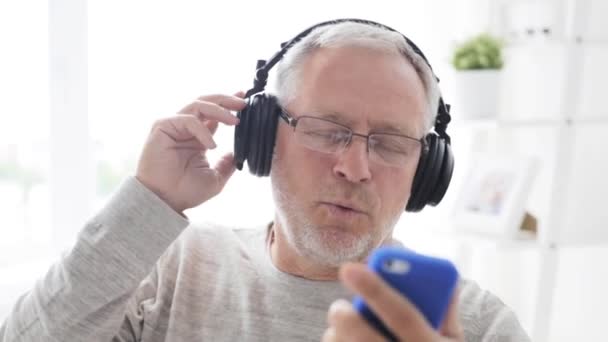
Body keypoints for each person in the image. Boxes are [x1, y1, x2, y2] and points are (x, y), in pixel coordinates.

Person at [0, 19, 530, 341]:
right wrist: (148, 202)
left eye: (391, 143)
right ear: (261, 137)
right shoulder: (172, 271)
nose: (355, 167)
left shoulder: (473, 326)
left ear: (427, 172)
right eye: (327, 130)